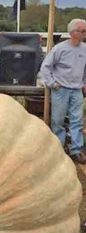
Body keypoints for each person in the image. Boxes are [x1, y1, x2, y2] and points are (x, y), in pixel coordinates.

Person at [40, 19, 86, 164]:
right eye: (82, 31)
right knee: (58, 120)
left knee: (77, 121)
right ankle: (59, 148)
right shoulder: (60, 49)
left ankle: (76, 150)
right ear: (73, 33)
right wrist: (52, 84)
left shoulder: (85, 49)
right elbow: (45, 67)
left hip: (77, 90)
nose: (85, 33)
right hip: (61, 90)